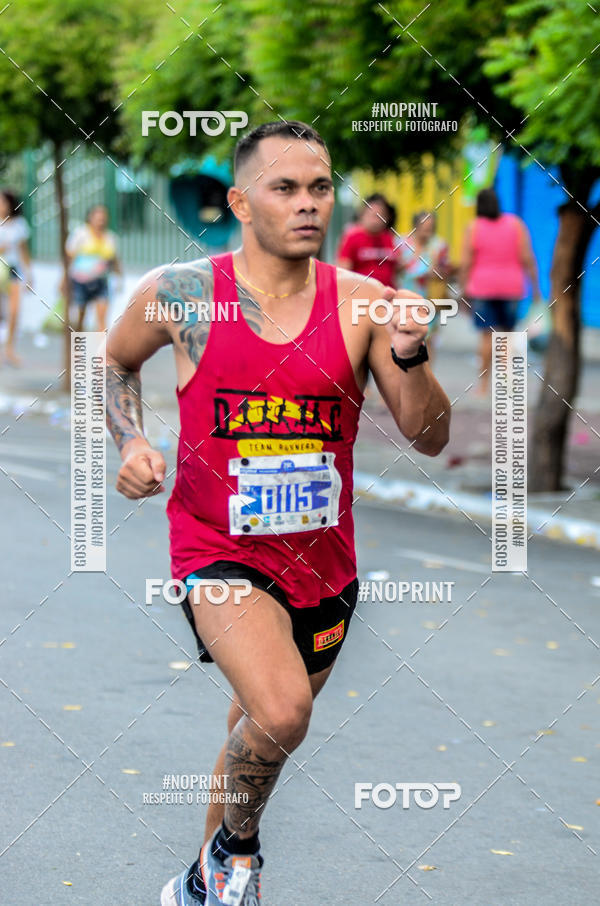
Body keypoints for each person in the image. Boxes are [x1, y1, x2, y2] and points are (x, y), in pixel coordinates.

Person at [106, 120, 451, 906]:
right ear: (239, 200)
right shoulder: (182, 293)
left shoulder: (366, 303)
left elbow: (429, 439)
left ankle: (205, 882)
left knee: (255, 731)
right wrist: (130, 442)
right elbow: (118, 362)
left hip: (324, 566)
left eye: (321, 187)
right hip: (216, 548)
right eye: (285, 188)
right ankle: (238, 856)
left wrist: (410, 355)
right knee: (283, 708)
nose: (308, 205)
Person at [460, 187, 540, 394]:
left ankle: (483, 386)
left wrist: (463, 290)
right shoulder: (516, 224)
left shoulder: (474, 227)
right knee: (506, 336)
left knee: (486, 336)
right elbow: (527, 257)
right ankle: (505, 383)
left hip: (482, 288)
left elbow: (466, 262)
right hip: (512, 288)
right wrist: (536, 288)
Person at [397, 211, 454, 361]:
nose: (426, 232)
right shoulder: (402, 243)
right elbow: (394, 267)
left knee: (428, 339)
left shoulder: (439, 245)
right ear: (415, 226)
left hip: (429, 298)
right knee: (405, 339)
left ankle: (427, 377)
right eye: (423, 227)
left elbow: (446, 270)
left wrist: (436, 272)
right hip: (405, 297)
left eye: (430, 228)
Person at [66, 204, 121, 332]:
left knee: (101, 318)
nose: (100, 221)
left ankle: (99, 351)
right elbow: (69, 257)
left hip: (101, 281)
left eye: (103, 218)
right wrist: (64, 279)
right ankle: (80, 349)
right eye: (98, 217)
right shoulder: (81, 234)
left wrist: (119, 277)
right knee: (80, 317)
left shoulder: (110, 238)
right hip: (80, 281)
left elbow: (114, 260)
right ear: (90, 218)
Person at [337, 192, 398, 285]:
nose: (376, 221)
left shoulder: (389, 238)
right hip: (361, 295)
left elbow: (396, 269)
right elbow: (343, 271)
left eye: (380, 216)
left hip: (387, 294)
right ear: (363, 215)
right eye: (372, 216)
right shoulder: (352, 237)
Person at [0, 190, 32, 366]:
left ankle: (9, 349)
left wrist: (29, 274)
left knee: (14, 311)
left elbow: (24, 251)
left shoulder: (19, 224)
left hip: (13, 270)